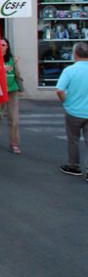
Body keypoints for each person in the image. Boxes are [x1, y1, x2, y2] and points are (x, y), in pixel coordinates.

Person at [57, 42, 88, 178]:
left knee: (73, 139)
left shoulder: (69, 70)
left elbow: (60, 90)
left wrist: (65, 100)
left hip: (73, 111)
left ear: (75, 54)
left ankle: (74, 166)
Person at [0, 37, 23, 154]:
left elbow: (17, 74)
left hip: (12, 91)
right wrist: (2, 69)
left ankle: (14, 143)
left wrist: (15, 67)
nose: (1, 47)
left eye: (3, 45)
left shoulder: (12, 60)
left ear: (7, 47)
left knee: (14, 118)